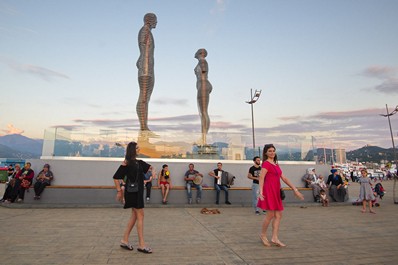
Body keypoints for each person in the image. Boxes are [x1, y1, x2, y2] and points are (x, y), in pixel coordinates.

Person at [257, 144, 304, 248]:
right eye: (270, 151)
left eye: (273, 151)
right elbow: (261, 178)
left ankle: (274, 237)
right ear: (265, 153)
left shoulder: (275, 164)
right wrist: (260, 192)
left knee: (278, 215)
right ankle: (263, 235)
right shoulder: (265, 164)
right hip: (269, 191)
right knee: (270, 215)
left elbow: (284, 178)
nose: (272, 152)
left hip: (276, 192)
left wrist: (295, 189)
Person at [113, 141, 153, 254]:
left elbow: (150, 167)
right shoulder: (127, 163)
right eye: (137, 148)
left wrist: (153, 171)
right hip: (133, 193)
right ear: (132, 150)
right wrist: (119, 191)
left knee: (135, 216)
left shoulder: (139, 162)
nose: (139, 149)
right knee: (140, 215)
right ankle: (141, 244)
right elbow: (116, 177)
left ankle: (124, 240)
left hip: (137, 193)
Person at [136, 13, 157, 133]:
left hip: (148, 68)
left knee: (146, 97)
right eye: (155, 20)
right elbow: (144, 49)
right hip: (146, 69)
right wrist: (143, 64)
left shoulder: (148, 31)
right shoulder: (145, 31)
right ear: (150, 20)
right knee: (143, 96)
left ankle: (145, 127)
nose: (157, 23)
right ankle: (143, 127)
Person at [194, 48, 213, 145]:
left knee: (204, 112)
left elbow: (203, 73)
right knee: (203, 112)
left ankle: (204, 138)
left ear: (200, 53)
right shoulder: (201, 62)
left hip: (203, 85)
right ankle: (203, 137)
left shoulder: (203, 62)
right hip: (202, 85)